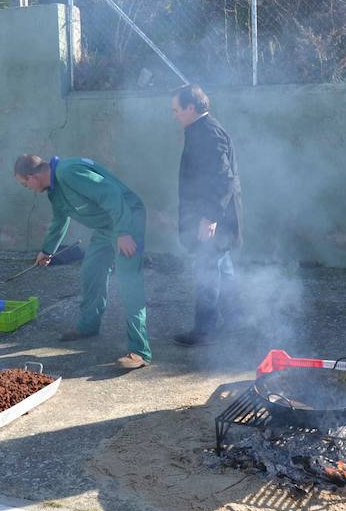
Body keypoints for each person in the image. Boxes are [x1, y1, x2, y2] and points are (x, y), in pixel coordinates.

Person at [14, 154, 151, 369]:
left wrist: (124, 232)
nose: (27, 188)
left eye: (25, 184)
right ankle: (89, 325)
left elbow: (112, 194)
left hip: (127, 222)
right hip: (106, 228)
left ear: (32, 176)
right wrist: (47, 250)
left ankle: (140, 351)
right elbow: (60, 220)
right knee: (91, 271)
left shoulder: (68, 172)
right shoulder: (54, 190)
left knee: (128, 281)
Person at [170, 84, 243, 346]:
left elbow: (224, 179)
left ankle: (204, 330)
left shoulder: (208, 133)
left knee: (206, 272)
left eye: (177, 109)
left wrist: (209, 217)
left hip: (214, 221)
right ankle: (235, 320)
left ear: (191, 108)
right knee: (222, 269)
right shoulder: (200, 129)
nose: (174, 114)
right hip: (213, 219)